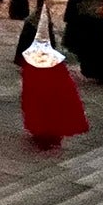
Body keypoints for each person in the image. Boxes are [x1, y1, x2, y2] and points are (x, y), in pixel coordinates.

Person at [20, 11, 89, 147]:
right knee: (40, 93)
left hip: (45, 52)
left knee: (46, 93)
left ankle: (45, 126)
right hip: (40, 49)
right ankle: (42, 126)